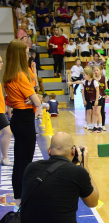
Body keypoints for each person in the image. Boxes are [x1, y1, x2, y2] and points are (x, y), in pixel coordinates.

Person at [20, 132, 99, 222]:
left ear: (49, 150)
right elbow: (93, 202)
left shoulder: (31, 167)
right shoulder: (77, 172)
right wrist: (84, 166)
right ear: (73, 151)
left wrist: (67, 165)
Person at [3, 40, 41, 205]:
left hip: (18, 117)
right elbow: (38, 101)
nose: (28, 54)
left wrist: (33, 95)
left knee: (19, 160)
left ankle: (18, 196)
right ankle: (24, 198)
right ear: (20, 54)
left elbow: (34, 93)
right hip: (25, 119)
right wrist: (34, 98)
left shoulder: (10, 74)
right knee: (25, 161)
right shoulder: (19, 75)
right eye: (25, 52)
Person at [0, 56, 12, 166]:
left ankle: (4, 157)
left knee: (7, 132)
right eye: (0, 62)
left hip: (1, 110)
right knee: (7, 132)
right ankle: (4, 157)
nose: (2, 64)